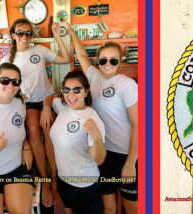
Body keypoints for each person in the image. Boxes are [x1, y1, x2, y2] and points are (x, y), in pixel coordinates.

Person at [67, 24, 138, 214]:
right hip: (104, 153)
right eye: (103, 59)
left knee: (130, 206)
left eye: (113, 60)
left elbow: (140, 125)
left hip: (126, 155)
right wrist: (72, 32)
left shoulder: (127, 84)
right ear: (97, 60)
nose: (108, 63)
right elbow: (82, 56)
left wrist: (130, 164)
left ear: (120, 62)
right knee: (108, 207)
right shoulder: (95, 77)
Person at [0, 18, 70, 207]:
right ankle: (46, 181)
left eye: (28, 33)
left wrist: (57, 36)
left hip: (46, 99)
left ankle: (55, 178)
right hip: (27, 103)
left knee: (48, 130)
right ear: (13, 35)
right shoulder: (8, 60)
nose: (25, 37)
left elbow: (65, 58)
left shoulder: (39, 50)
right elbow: (3, 87)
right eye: (20, 33)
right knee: (33, 130)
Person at [40, 70, 106, 214]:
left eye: (77, 90)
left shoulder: (91, 118)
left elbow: (99, 159)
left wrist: (97, 137)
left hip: (84, 185)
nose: (71, 95)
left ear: (86, 92)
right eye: (66, 90)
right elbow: (49, 97)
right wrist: (46, 108)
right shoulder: (64, 108)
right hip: (64, 180)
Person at [0, 63, 34, 214]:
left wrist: (26, 146)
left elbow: (19, 130)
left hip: (16, 170)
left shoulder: (20, 104)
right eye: (5, 80)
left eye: (15, 81)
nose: (10, 85)